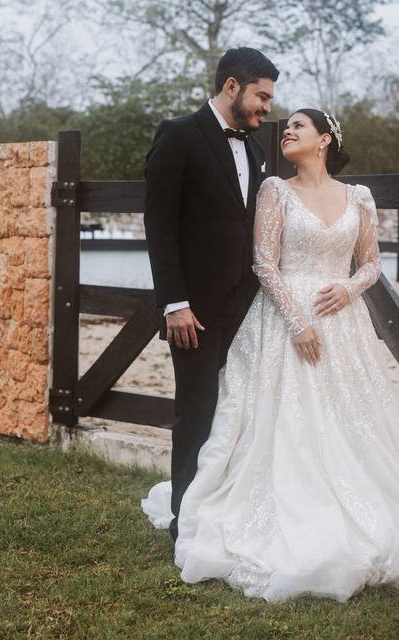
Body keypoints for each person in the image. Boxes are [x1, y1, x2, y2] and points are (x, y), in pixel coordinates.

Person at [142, 108, 399, 603]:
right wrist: (298, 321)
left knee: (352, 419)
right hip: (284, 319)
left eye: (298, 126)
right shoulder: (274, 191)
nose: (286, 130)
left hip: (342, 323)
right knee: (287, 420)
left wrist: (348, 289)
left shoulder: (358, 197)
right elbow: (264, 261)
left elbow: (372, 264)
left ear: (324, 139)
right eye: (285, 126)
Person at [143, 47, 278, 544]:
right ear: (231, 87)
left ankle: (227, 512)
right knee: (196, 411)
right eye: (261, 96)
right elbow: (159, 225)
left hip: (248, 306)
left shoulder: (258, 151)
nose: (266, 108)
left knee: (238, 411)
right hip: (195, 310)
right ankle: (185, 520)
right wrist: (174, 302)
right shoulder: (178, 134)